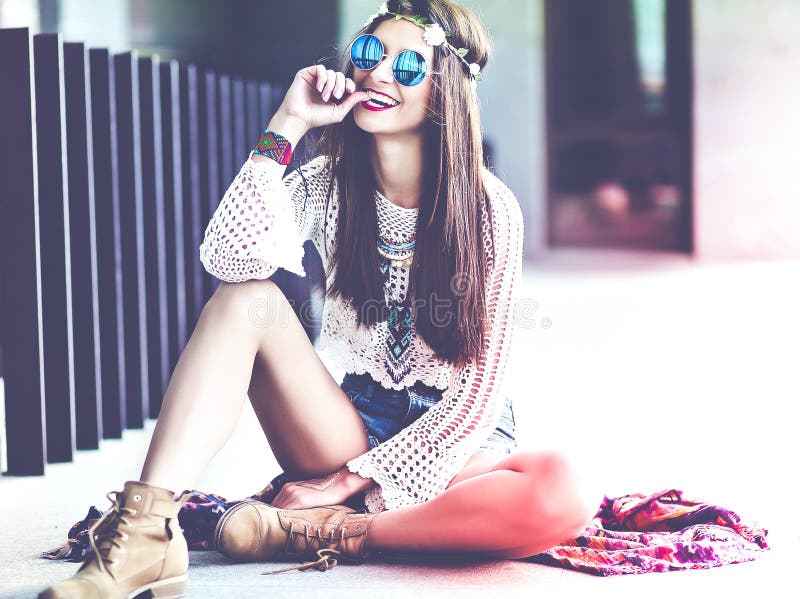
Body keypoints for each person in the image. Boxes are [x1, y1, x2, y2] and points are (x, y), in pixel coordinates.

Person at [39, 1, 600, 597]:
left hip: (456, 443)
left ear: (447, 91)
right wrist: (286, 127)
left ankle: (331, 531)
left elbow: (478, 396)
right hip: (347, 425)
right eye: (368, 54)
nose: (378, 74)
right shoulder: (328, 182)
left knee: (564, 488)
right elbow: (230, 260)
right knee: (244, 298)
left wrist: (343, 486)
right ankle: (148, 531)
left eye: (408, 66)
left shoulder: (491, 210)